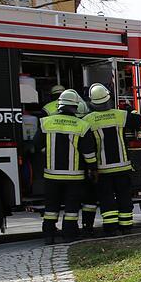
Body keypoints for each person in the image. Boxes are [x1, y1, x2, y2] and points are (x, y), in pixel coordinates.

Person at [35, 89, 97, 244]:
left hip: (51, 176)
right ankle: (70, 235)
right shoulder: (82, 126)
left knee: (51, 208)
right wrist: (93, 168)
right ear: (75, 107)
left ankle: (48, 236)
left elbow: (36, 145)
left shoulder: (46, 123)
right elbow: (88, 153)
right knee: (71, 209)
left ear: (59, 105)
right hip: (74, 177)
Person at [83, 83, 141, 235]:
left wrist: (92, 168)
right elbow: (139, 121)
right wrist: (132, 109)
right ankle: (126, 227)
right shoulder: (120, 115)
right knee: (124, 198)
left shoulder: (87, 120)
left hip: (103, 170)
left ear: (92, 102)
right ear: (108, 99)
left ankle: (110, 228)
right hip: (123, 168)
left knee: (107, 199)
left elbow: (87, 147)